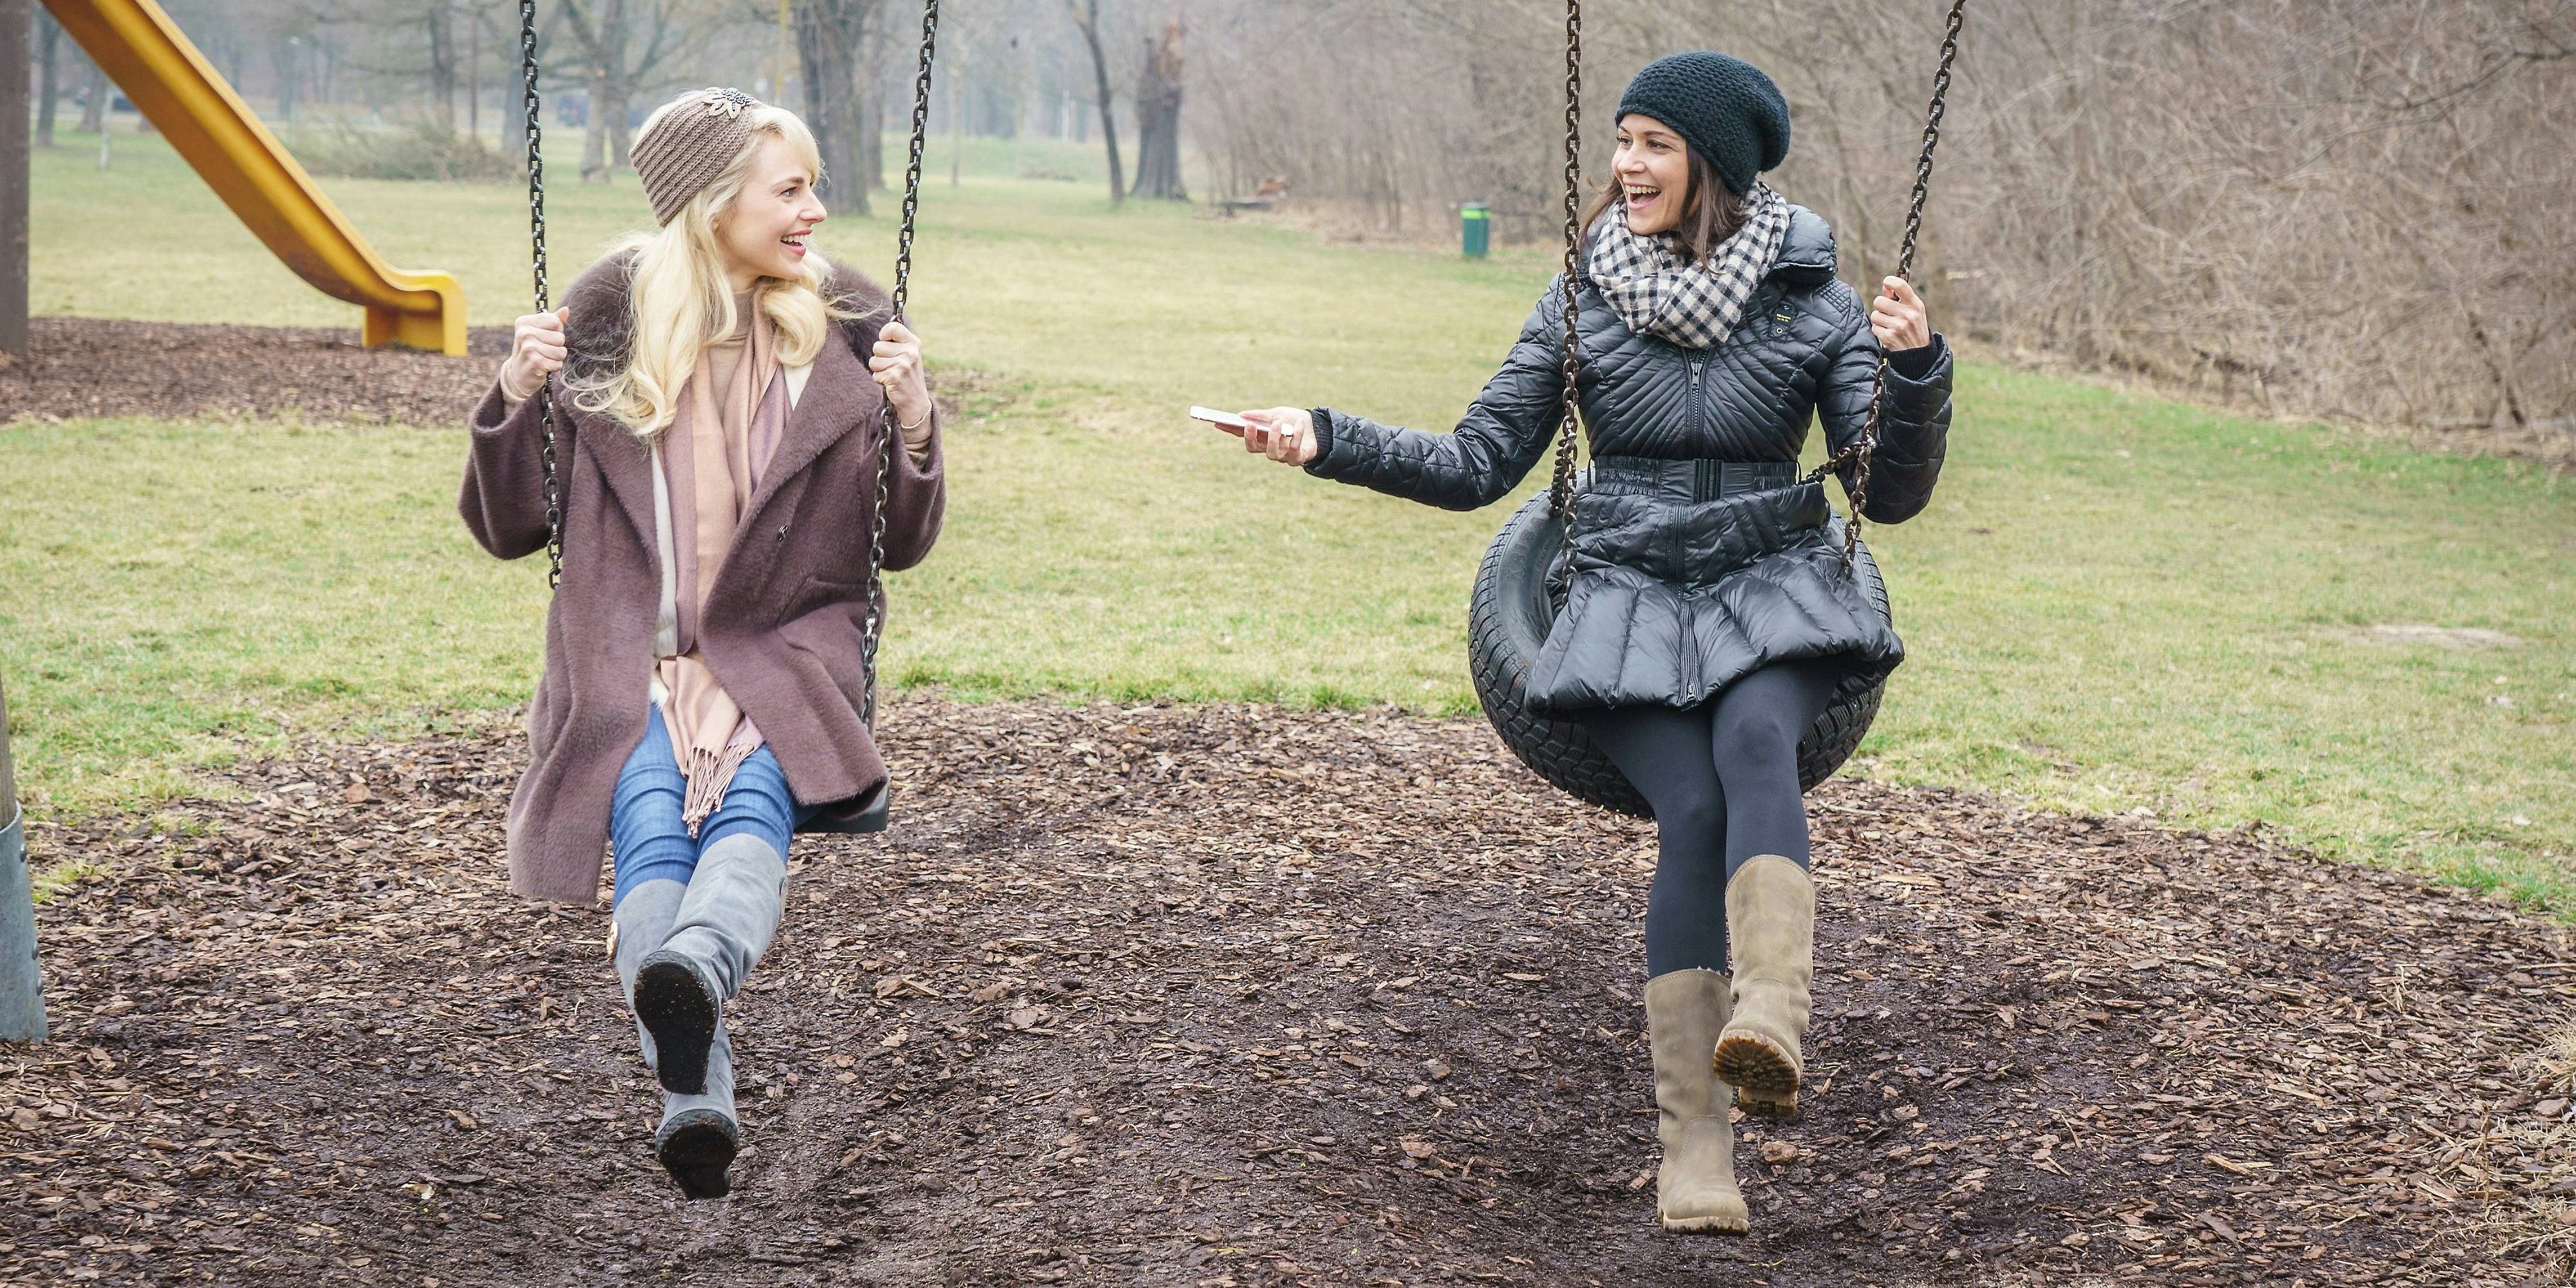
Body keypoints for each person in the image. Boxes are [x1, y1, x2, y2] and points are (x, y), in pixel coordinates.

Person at [1213, 52, 1951, 1235]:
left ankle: (1773, 1012)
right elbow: (1473, 464)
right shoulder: (1582, 296)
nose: (1625, 163)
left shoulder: (1816, 299)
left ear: (1712, 163)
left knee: (1758, 737)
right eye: (1621, 139)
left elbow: (1889, 491)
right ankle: (1695, 1156)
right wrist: (1324, 435)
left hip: (1773, 577)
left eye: (1654, 143)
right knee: (1693, 811)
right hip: (1624, 588)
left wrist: (1913, 371)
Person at [459, 88, 947, 1198]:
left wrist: (915, 420)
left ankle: (697, 1005)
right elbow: (509, 527)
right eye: (791, 190)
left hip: (780, 662)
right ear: (716, 205)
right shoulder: (604, 340)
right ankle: (698, 1094)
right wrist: (514, 393)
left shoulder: (844, 340)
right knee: (648, 838)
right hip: (632, 666)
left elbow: (898, 545)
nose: (815, 211)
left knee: (749, 816)